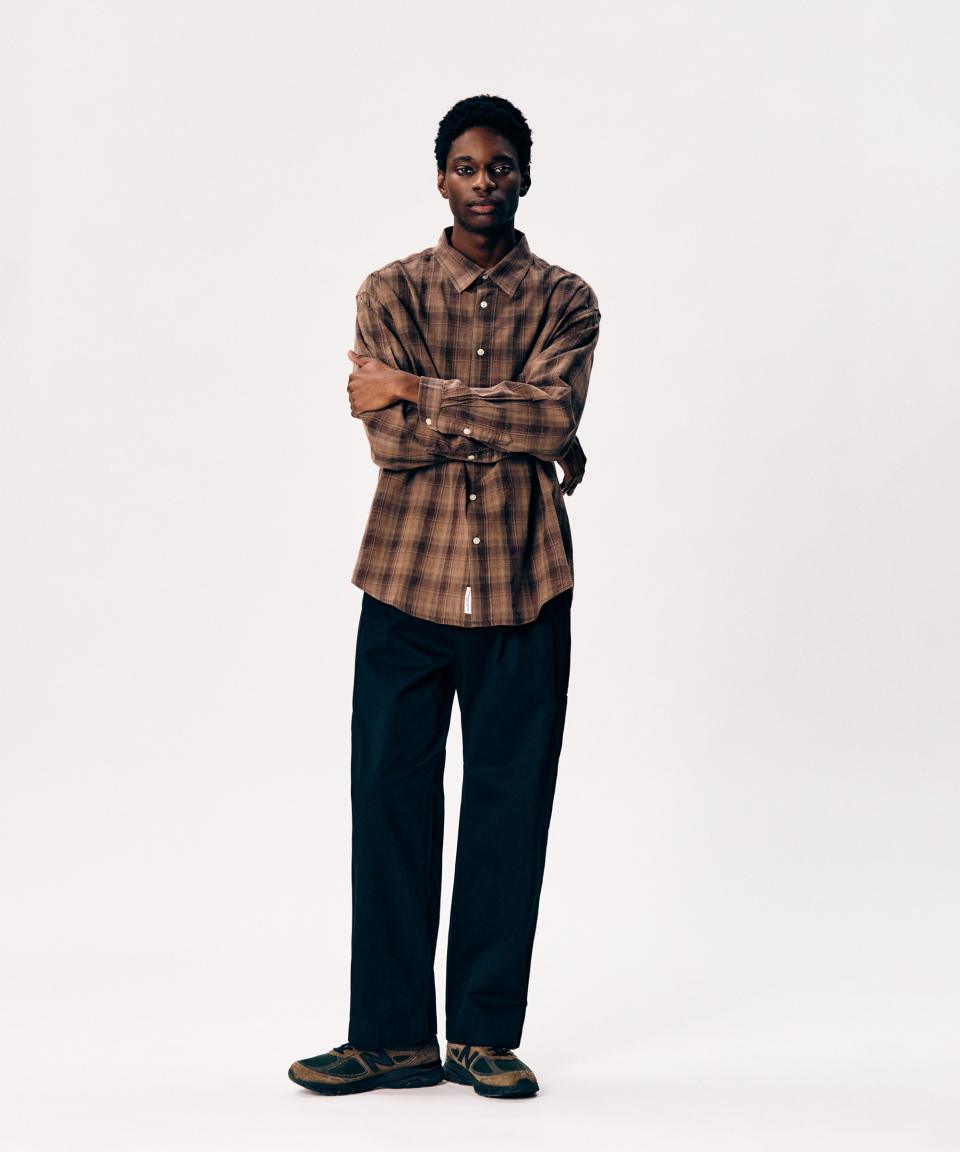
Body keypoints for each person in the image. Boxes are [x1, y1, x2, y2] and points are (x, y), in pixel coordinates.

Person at [288, 95, 600, 1099]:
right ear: (439, 178)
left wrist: (419, 390)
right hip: (405, 585)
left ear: (524, 177)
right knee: (388, 801)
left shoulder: (567, 299)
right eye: (465, 166)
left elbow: (551, 415)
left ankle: (482, 1037)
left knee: (510, 807)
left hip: (524, 588)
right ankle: (390, 1038)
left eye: (500, 165)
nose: (483, 182)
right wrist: (520, 431)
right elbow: (390, 446)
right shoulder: (388, 291)